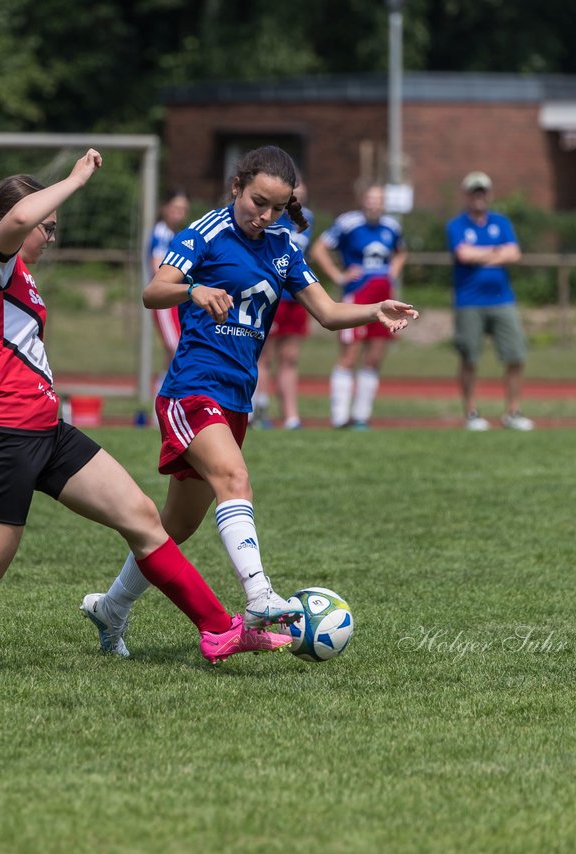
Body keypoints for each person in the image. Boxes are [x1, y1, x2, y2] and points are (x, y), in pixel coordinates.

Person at [0, 150, 292, 677]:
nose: (48, 236)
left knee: (142, 519)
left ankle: (218, 631)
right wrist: (74, 179)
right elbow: (19, 221)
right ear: (12, 223)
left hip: (45, 430)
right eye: (45, 228)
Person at [80, 146, 418, 656]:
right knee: (234, 480)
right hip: (192, 389)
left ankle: (111, 609)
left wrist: (374, 309)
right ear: (237, 187)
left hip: (235, 399)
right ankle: (258, 595)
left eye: (276, 208)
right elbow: (154, 292)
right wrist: (191, 290)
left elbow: (325, 312)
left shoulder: (282, 247)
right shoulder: (205, 232)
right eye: (257, 202)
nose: (263, 215)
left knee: (173, 527)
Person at [308, 183, 407, 430]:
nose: (375, 204)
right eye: (370, 199)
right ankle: (340, 417)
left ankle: (361, 416)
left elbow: (401, 252)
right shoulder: (348, 223)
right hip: (357, 296)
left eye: (379, 199)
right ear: (362, 200)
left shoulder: (391, 226)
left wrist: (392, 273)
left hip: (384, 296)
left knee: (374, 356)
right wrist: (339, 276)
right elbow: (319, 249)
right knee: (349, 355)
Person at [446, 171, 534, 431]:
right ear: (466, 195)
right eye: (474, 192)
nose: (479, 197)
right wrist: (497, 252)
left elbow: (515, 253)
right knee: (470, 358)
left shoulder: (501, 222)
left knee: (515, 355)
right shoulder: (456, 225)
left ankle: (513, 412)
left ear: (489, 194)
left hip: (503, 300)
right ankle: (471, 413)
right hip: (469, 301)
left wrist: (481, 255)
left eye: (482, 192)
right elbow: (463, 255)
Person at [253, 180, 315, 429]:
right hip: (271, 295)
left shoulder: (307, 218)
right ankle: (260, 411)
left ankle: (290, 415)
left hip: (297, 297)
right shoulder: (270, 216)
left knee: (290, 357)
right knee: (263, 355)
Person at [149, 189, 192, 364]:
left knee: (175, 351)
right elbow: (157, 268)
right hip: (165, 301)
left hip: (176, 300)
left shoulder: (176, 234)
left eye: (183, 209)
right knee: (177, 350)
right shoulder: (161, 233)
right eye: (175, 207)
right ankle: (166, 390)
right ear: (165, 208)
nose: (179, 213)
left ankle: (165, 388)